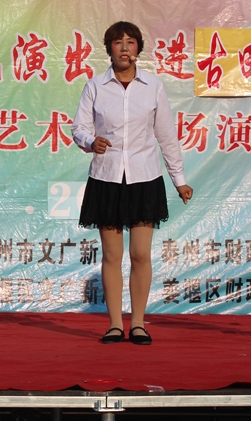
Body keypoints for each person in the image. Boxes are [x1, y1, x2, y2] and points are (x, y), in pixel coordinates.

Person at [72, 21, 192, 345]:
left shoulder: (153, 86)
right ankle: (114, 324)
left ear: (138, 48)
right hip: (107, 178)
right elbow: (79, 127)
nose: (124, 48)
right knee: (112, 256)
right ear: (108, 49)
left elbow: (166, 136)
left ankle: (138, 323)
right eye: (118, 42)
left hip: (144, 177)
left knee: (140, 254)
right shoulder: (95, 86)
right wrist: (90, 141)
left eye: (131, 42)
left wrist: (179, 180)